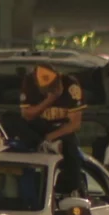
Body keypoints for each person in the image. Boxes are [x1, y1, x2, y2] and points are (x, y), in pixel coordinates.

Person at [20, 64, 86, 196]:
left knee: (73, 154)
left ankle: (68, 190)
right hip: (37, 129)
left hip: (61, 130)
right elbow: (27, 115)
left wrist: (51, 137)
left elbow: (75, 124)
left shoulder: (71, 85)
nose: (48, 90)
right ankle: (40, 145)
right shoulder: (29, 82)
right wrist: (50, 99)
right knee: (10, 121)